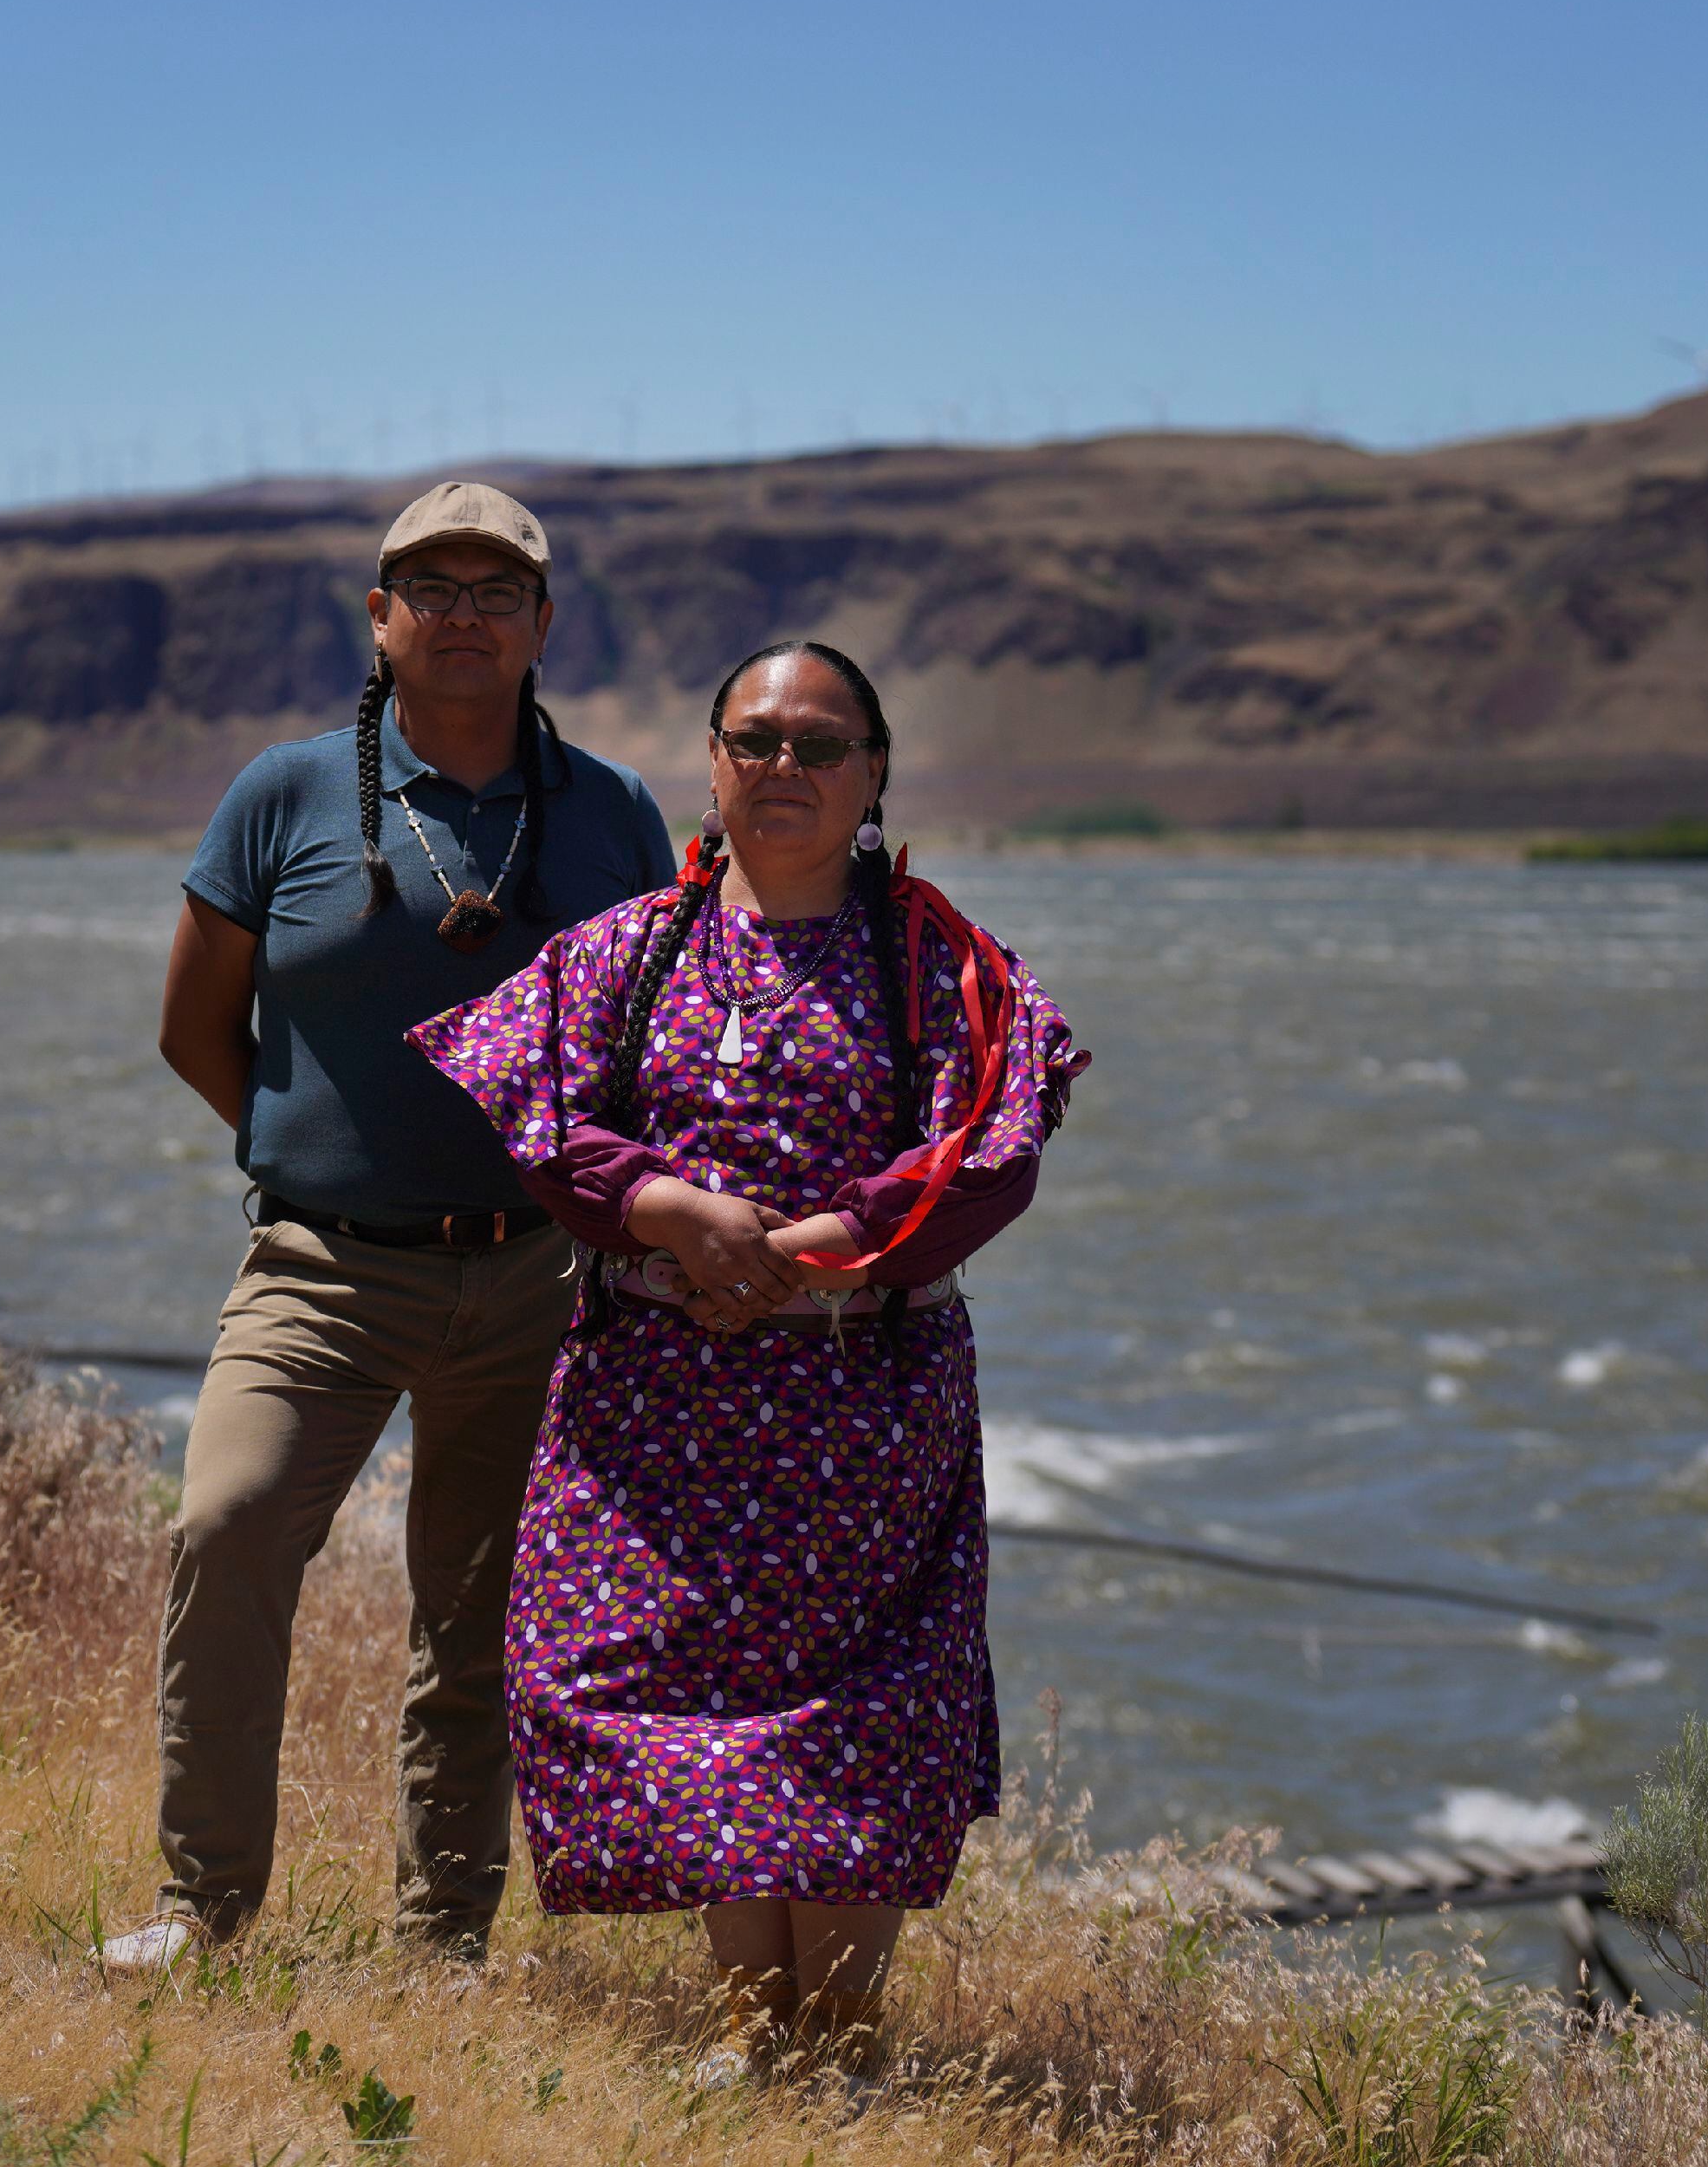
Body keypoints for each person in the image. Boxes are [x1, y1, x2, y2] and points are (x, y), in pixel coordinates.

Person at [407, 639, 1086, 2074]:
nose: (786, 767)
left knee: (853, 1712)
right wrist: (668, 1207)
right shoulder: (631, 948)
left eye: (821, 744)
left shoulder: (943, 964)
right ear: (711, 762)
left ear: (876, 773)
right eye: (757, 740)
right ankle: (748, 2026)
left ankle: (837, 2045)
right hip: (658, 1410)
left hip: (865, 1417)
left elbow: (989, 1153)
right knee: (688, 1698)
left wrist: (812, 1243)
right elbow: (538, 1109)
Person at [114, 483, 678, 1971]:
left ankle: (443, 1938)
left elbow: (656, 1046)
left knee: (481, 1614)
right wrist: (313, 1151)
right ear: (380, 616)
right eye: (433, 584)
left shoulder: (615, 813)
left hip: (537, 1278)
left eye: (501, 589)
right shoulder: (283, 794)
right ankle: (207, 1908)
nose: (466, 612)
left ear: (545, 625)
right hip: (319, 1270)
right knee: (227, 1531)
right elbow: (194, 1026)